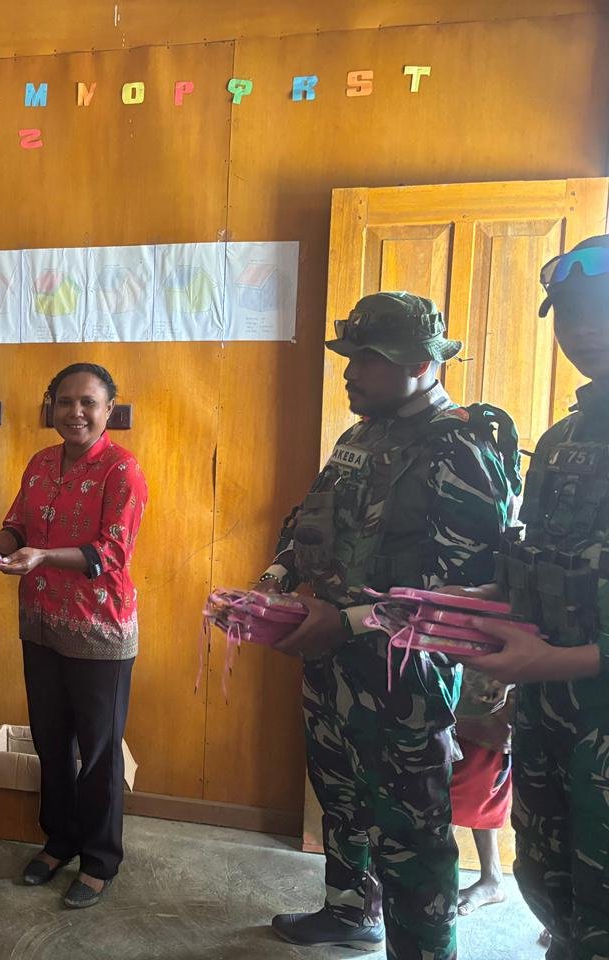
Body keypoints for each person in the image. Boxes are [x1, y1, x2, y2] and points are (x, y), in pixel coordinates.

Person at [260, 292, 519, 959]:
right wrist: (274, 581)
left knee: (410, 830)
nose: (351, 371)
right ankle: (350, 912)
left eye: (368, 359)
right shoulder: (361, 436)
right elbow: (309, 521)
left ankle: (425, 950)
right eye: (350, 357)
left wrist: (345, 622)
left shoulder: (460, 446)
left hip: (407, 673)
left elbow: (468, 589)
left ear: (420, 364)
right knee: (340, 796)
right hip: (332, 660)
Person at [460, 235, 609, 960]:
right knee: (552, 880)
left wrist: (555, 663)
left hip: (589, 694)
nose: (583, 329)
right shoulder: (560, 440)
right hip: (552, 713)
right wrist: (483, 597)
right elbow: (549, 562)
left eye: (600, 309)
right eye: (570, 313)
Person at [0, 362, 147, 910]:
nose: (76, 412)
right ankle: (59, 841)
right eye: (65, 401)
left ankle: (99, 859)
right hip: (41, 621)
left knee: (98, 752)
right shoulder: (41, 462)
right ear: (51, 406)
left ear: (108, 409)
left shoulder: (122, 470)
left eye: (88, 402)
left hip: (99, 628)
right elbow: (19, 527)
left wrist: (42, 556)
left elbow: (112, 552)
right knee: (50, 740)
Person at [449, 673, 514, 916]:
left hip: (485, 713)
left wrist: (506, 679)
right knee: (450, 796)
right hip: (454, 701)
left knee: (458, 798)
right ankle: (491, 878)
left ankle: (437, 883)